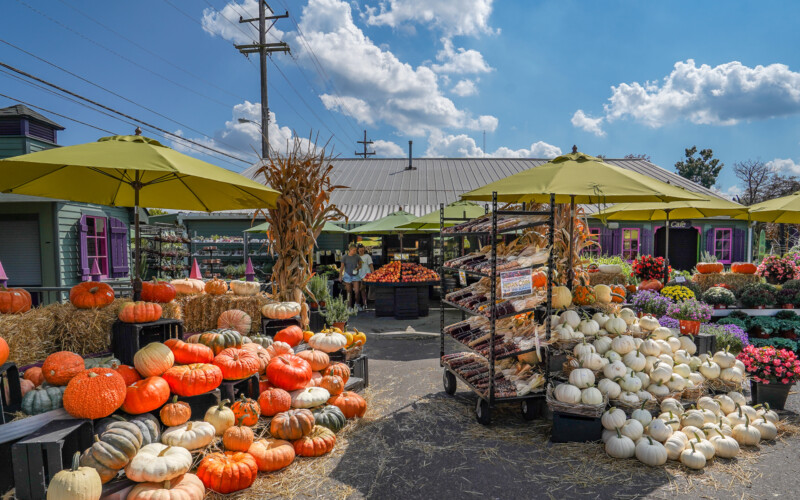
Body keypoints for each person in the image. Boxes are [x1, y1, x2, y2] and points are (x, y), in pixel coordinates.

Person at [339, 243, 363, 310]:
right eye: (354, 250)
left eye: (355, 250)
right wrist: (340, 276)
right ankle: (349, 306)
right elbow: (342, 268)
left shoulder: (357, 256)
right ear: (350, 250)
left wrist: (357, 268)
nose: (355, 252)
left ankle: (357, 304)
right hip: (347, 275)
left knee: (357, 291)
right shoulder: (344, 257)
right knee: (349, 291)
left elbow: (360, 265)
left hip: (355, 275)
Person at [357, 243, 374, 309]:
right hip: (358, 275)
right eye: (360, 250)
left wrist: (373, 274)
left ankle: (364, 303)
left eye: (362, 250)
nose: (361, 251)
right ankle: (363, 304)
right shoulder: (356, 257)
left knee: (362, 289)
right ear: (358, 250)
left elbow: (371, 265)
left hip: (366, 275)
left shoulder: (367, 256)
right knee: (361, 290)